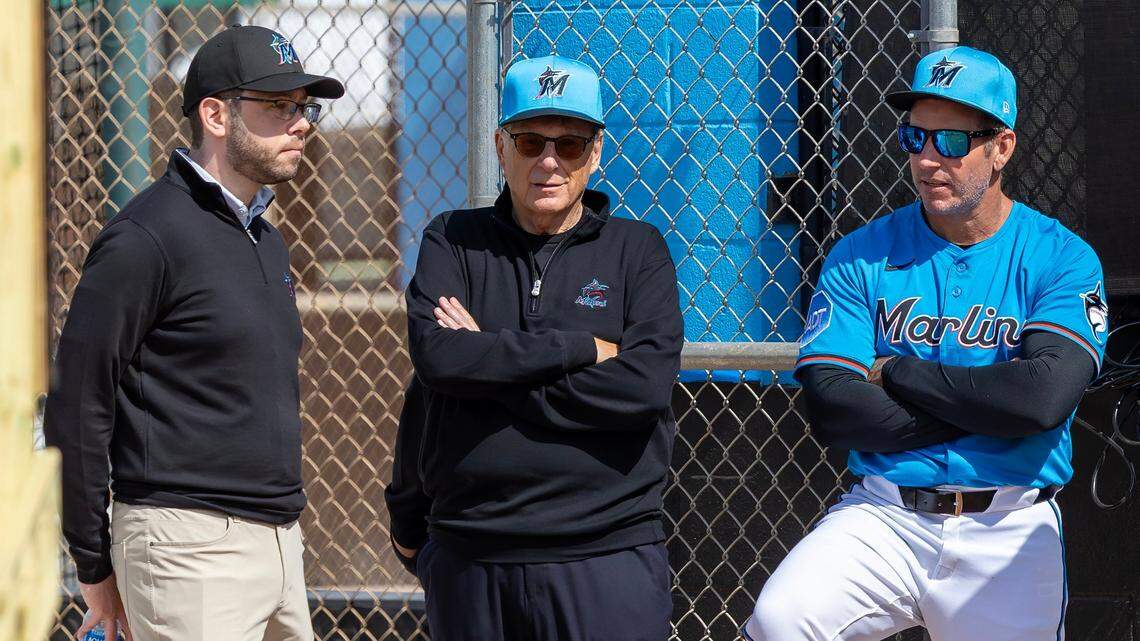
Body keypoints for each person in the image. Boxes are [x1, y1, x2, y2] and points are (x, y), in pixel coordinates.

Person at [744, 46, 1106, 641]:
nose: (930, 159)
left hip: (1008, 523)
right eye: (916, 138)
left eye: (955, 141)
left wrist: (901, 373)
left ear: (1001, 148)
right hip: (884, 514)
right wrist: (989, 410)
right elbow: (834, 408)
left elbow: (1041, 401)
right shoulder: (861, 253)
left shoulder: (1060, 257)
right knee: (782, 620)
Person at [44, 25, 343, 641]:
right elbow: (78, 401)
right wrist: (92, 562)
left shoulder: (266, 236)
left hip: (281, 545)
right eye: (278, 107)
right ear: (214, 113)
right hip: (186, 549)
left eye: (303, 107)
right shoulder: (145, 238)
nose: (301, 123)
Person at [384, 55, 684, 641]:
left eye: (569, 145)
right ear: (500, 148)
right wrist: (578, 349)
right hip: (473, 553)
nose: (548, 162)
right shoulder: (453, 239)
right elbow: (441, 361)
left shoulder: (637, 251)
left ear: (595, 154)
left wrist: (489, 365)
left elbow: (641, 389)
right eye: (529, 141)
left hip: (604, 552)